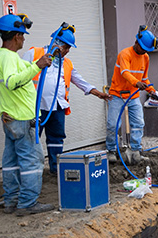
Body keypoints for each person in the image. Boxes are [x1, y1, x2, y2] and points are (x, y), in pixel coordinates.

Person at [23, 23, 111, 174]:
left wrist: (98, 93)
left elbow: (79, 81)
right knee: (32, 139)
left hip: (57, 107)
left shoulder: (67, 63)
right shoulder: (34, 53)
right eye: (66, 47)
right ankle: (30, 171)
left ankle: (55, 170)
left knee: (56, 139)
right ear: (57, 43)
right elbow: (20, 76)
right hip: (35, 107)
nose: (68, 51)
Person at [0, 14, 55, 215]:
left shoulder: (1, 57)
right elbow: (12, 82)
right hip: (21, 119)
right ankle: (27, 203)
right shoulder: (9, 57)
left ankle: (12, 201)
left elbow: (25, 70)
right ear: (16, 35)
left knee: (10, 162)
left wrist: (40, 62)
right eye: (23, 35)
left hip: (11, 118)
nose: (25, 39)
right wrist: (38, 65)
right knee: (32, 161)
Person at [106, 26, 158, 163]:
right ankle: (111, 150)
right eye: (143, 49)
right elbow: (125, 73)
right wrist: (136, 83)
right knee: (113, 125)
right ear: (137, 43)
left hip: (133, 96)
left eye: (147, 50)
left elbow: (144, 78)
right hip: (117, 95)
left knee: (138, 123)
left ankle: (135, 150)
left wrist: (151, 91)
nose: (144, 52)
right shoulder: (125, 54)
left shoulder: (145, 57)